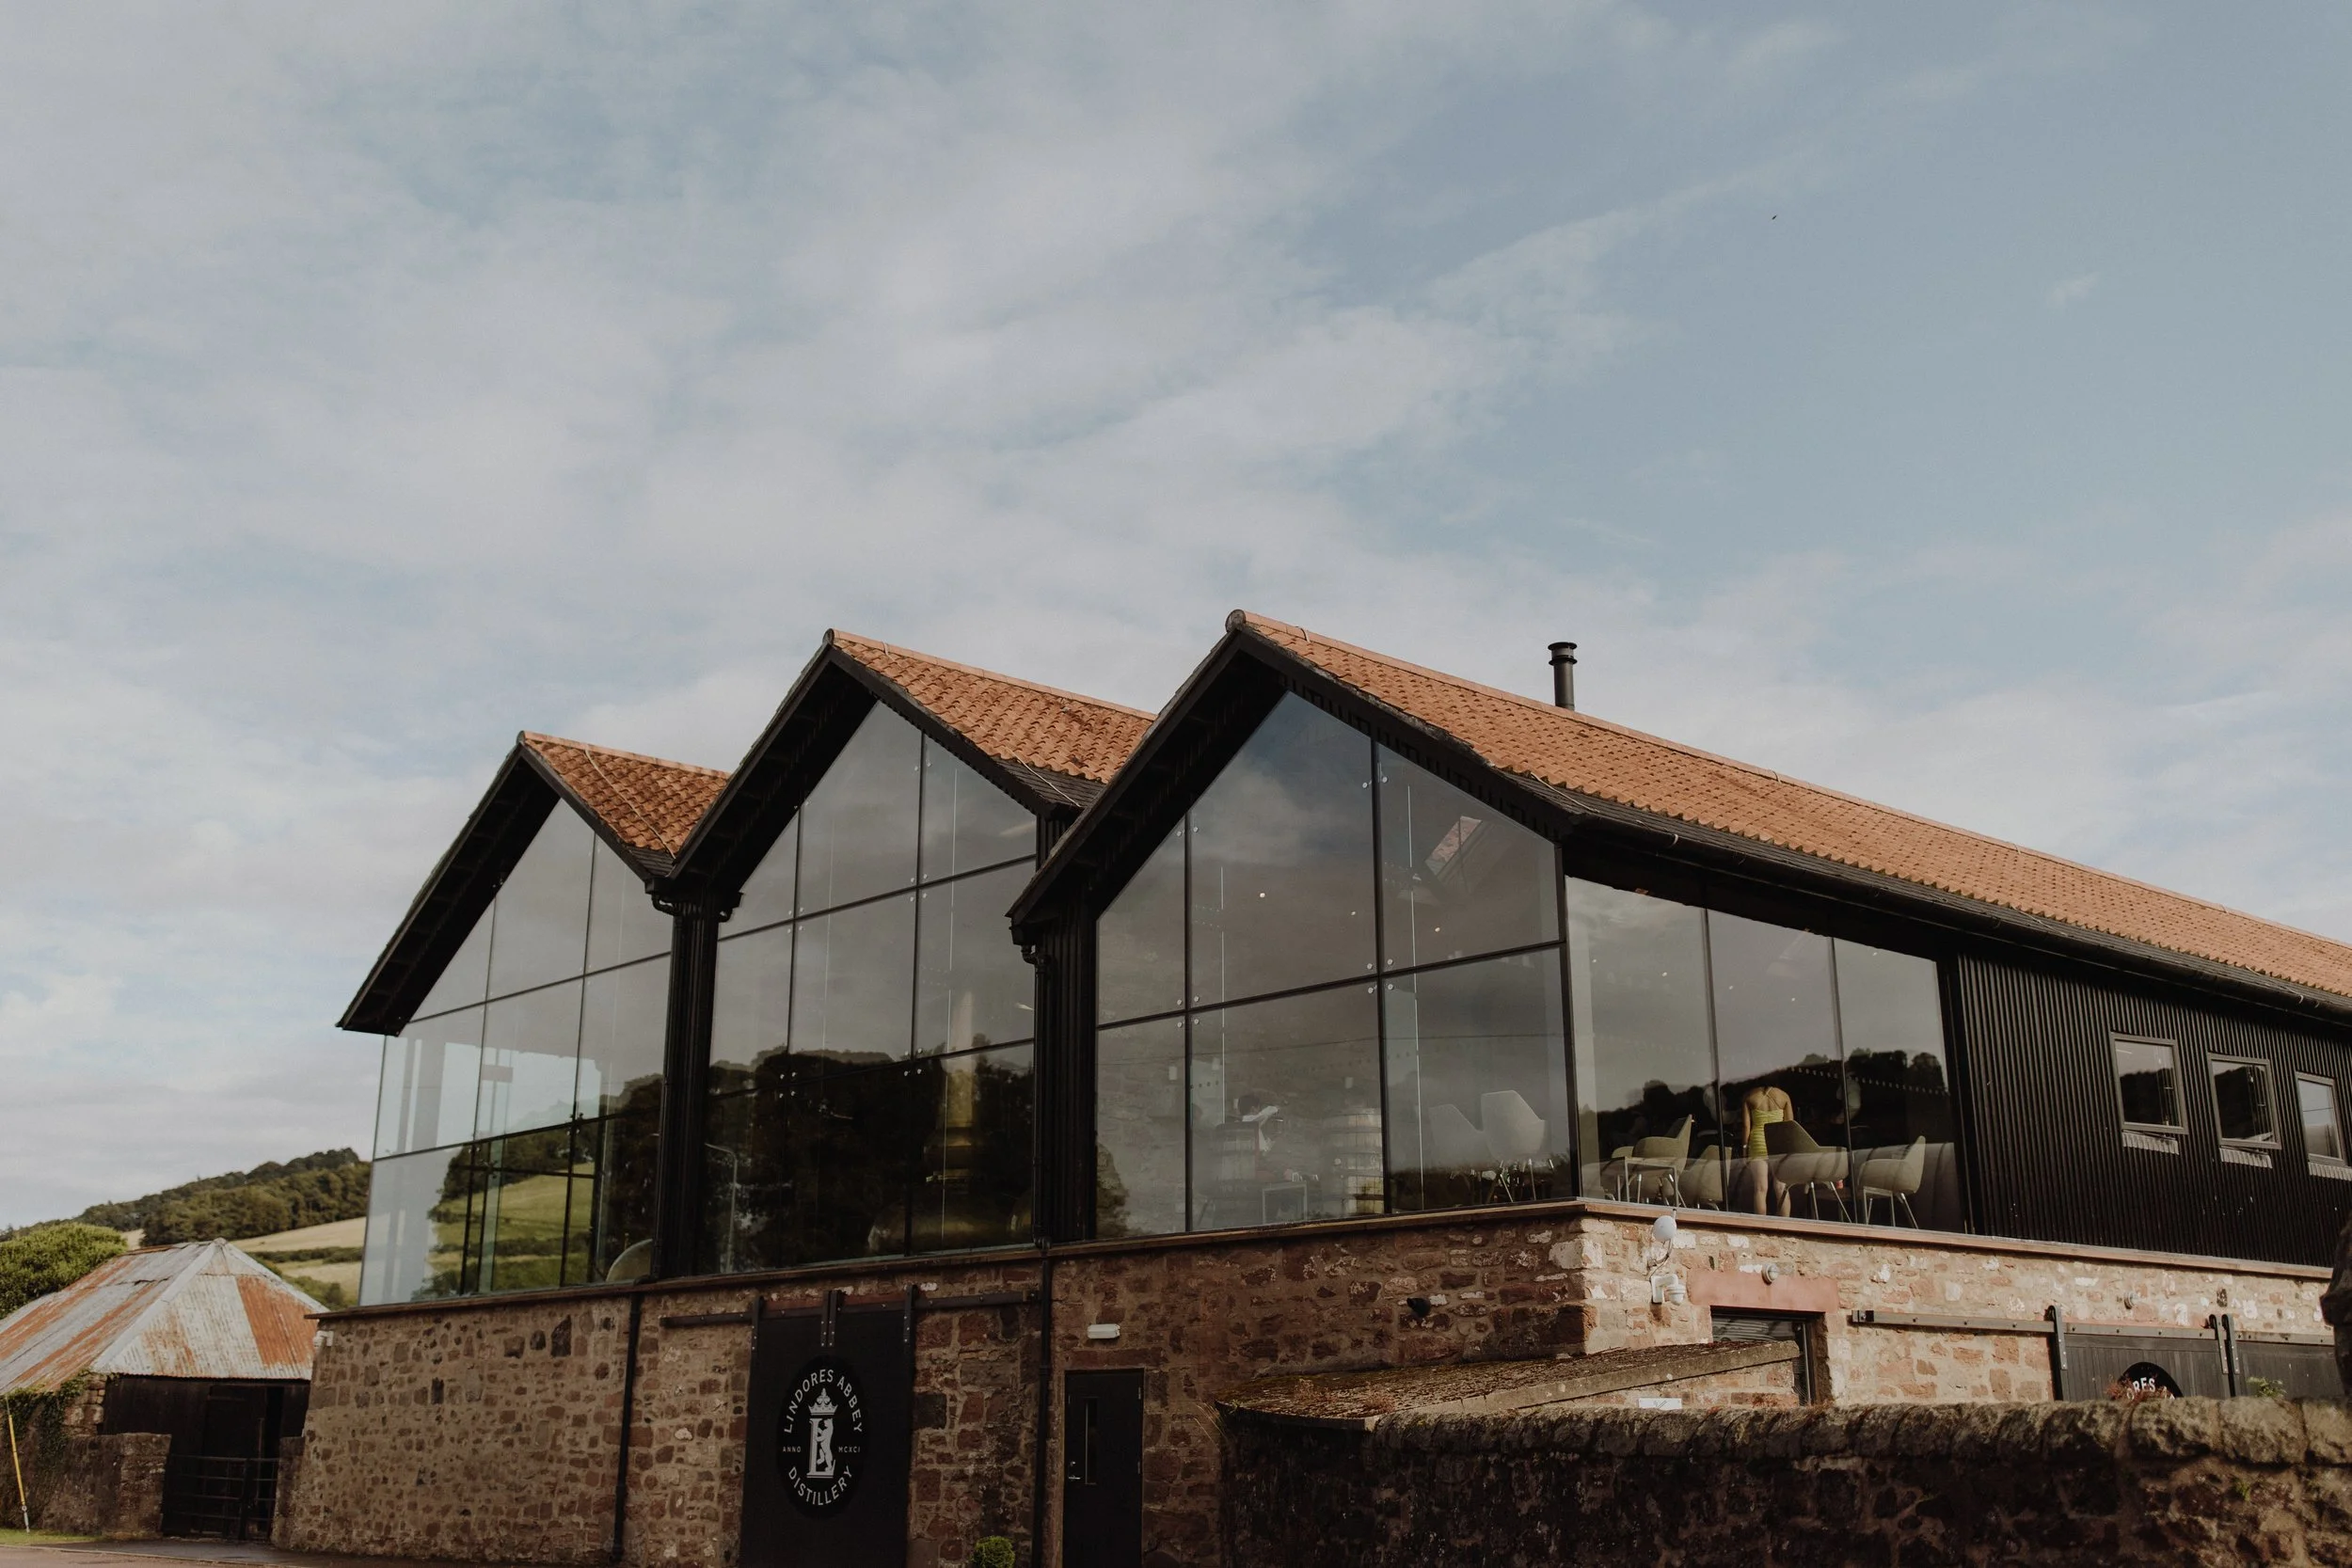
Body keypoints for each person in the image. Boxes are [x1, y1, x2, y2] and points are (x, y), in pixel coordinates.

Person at [1730, 1084, 1795, 1216]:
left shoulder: (1750, 1096)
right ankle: (1785, 1225)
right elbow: (1790, 1125)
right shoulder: (1784, 1096)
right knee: (1781, 1188)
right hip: (1779, 1145)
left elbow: (1746, 1126)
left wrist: (1744, 1148)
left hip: (1758, 1143)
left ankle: (1761, 1226)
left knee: (1760, 1189)